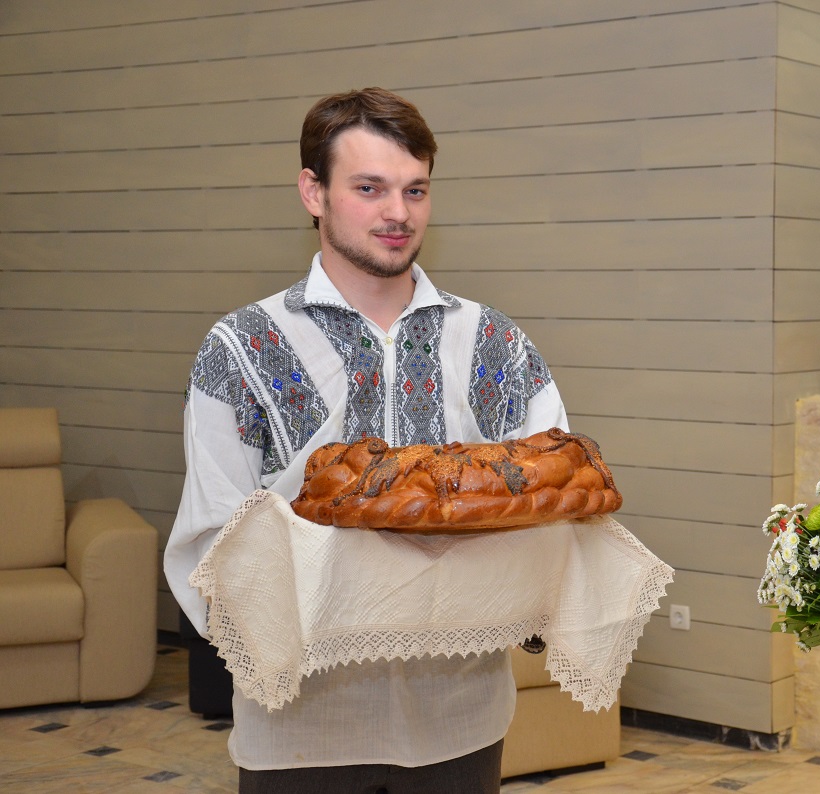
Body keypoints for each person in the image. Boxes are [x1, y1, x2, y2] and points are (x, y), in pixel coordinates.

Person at [164, 87, 568, 794]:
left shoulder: (494, 344)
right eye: (369, 188)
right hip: (302, 730)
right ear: (313, 192)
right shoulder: (242, 349)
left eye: (416, 190)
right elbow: (211, 543)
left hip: (459, 724)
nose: (398, 213)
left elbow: (549, 506)